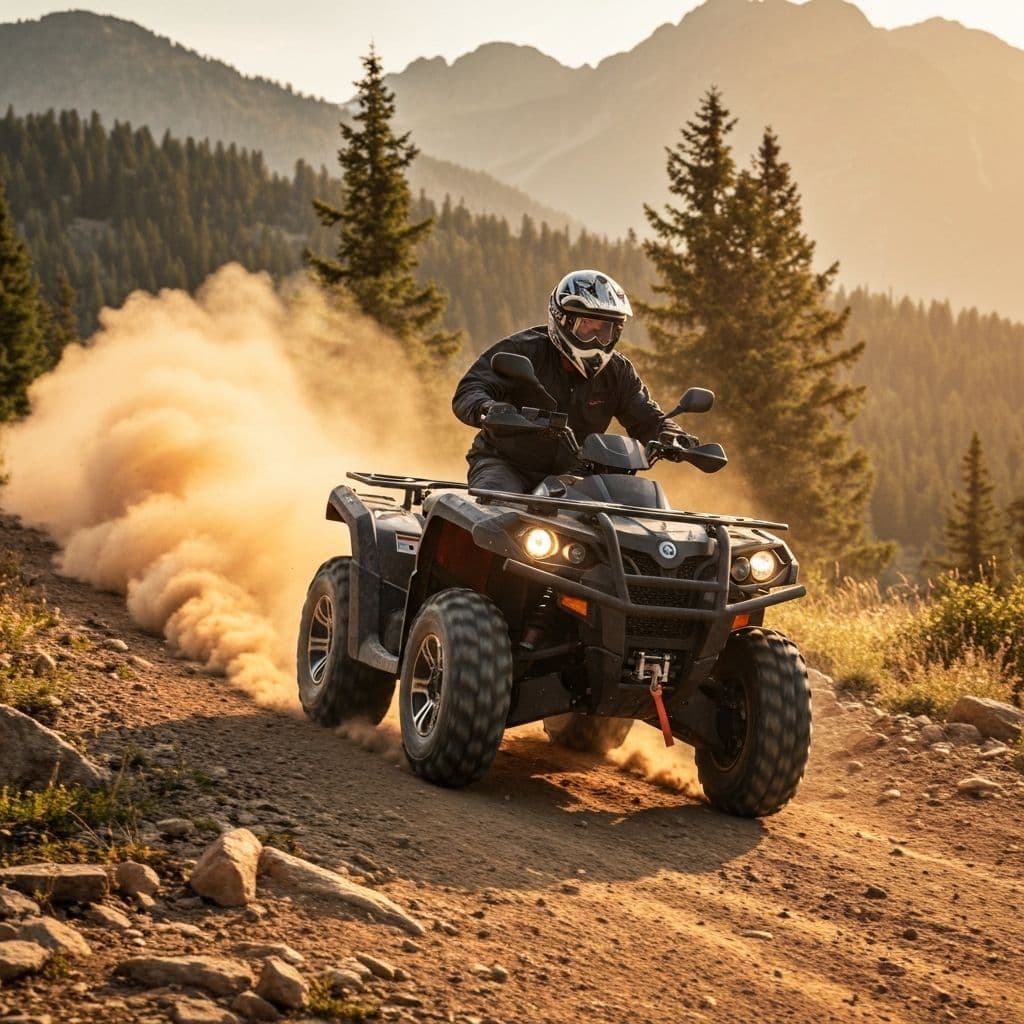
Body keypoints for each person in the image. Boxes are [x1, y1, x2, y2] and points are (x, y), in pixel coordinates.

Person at [452, 269, 696, 493]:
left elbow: (646, 418)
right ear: (562, 320)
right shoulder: (522, 351)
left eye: (606, 329)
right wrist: (489, 409)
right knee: (497, 511)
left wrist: (672, 436)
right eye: (587, 325)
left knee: (628, 525)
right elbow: (470, 389)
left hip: (578, 477)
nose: (597, 339)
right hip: (507, 466)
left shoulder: (618, 372)